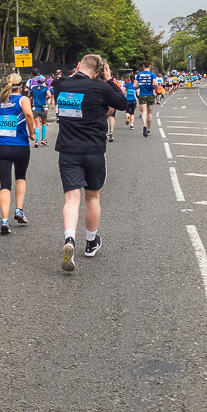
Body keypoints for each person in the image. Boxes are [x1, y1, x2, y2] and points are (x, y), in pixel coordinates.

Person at [51, 54, 126, 271]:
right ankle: (91, 242)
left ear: (77, 65)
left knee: (71, 199)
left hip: (67, 149)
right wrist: (109, 79)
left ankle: (69, 240)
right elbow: (121, 103)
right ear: (98, 73)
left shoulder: (60, 85)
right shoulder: (99, 87)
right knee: (92, 197)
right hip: (93, 150)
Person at [0, 73, 34, 234]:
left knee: (5, 184)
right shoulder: (23, 100)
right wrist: (32, 132)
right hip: (20, 146)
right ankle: (19, 209)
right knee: (21, 177)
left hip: (1, 147)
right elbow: (28, 114)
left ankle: (5, 219)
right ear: (21, 86)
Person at [134, 62, 159, 137]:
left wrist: (140, 86)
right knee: (150, 113)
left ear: (143, 66)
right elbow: (156, 84)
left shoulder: (139, 75)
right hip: (150, 94)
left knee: (144, 112)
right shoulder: (152, 75)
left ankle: (144, 125)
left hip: (142, 94)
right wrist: (156, 90)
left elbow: (135, 85)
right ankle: (148, 129)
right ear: (150, 66)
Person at [30, 76, 50, 147]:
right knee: (44, 123)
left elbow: (31, 98)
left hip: (35, 108)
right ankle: (43, 139)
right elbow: (49, 95)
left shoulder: (33, 88)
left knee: (37, 125)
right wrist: (46, 98)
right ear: (43, 81)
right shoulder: (45, 88)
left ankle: (36, 141)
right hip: (43, 108)